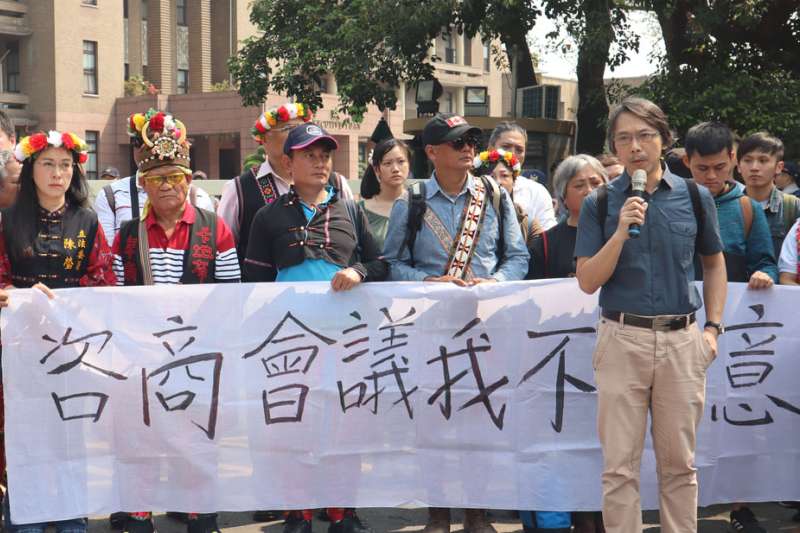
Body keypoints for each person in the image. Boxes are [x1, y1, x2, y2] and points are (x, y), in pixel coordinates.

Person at [574, 97, 727, 533]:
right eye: (624, 138)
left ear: (665, 139)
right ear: (614, 147)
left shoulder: (696, 197)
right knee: (619, 466)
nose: (635, 147)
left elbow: (714, 264)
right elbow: (587, 280)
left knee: (680, 465)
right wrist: (621, 233)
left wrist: (713, 329)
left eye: (645, 135)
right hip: (621, 339)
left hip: (683, 341)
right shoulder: (600, 203)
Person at [383, 113, 528, 533]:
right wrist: (428, 282)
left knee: (481, 416)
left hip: (484, 324)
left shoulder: (495, 195)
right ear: (432, 152)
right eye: (457, 142)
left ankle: (477, 512)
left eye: (471, 141)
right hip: (429, 328)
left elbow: (517, 257)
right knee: (433, 420)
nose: (468, 148)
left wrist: (495, 283)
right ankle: (438, 512)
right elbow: (392, 264)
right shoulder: (410, 201)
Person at [244, 122, 385, 533]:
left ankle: (341, 512)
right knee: (295, 426)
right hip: (291, 342)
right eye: (309, 154)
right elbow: (252, 284)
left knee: (344, 423)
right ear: (287, 162)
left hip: (345, 340)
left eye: (325, 154)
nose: (320, 161)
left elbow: (381, 264)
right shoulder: (267, 217)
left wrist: (358, 271)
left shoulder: (351, 210)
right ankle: (298, 512)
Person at [110, 112, 238, 533]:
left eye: (176, 176)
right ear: (143, 185)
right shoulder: (128, 235)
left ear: (189, 180)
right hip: (141, 356)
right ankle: (139, 513)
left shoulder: (214, 228)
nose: (168, 186)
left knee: (197, 437)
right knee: (140, 437)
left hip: (196, 357)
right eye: (158, 178)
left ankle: (200, 511)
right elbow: (112, 297)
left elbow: (229, 293)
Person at [0, 130, 116, 533]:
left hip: (72, 348)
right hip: (21, 347)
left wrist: (66, 300)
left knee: (71, 431)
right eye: (48, 163)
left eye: (65, 165)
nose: (57, 173)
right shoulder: (8, 221)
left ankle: (71, 512)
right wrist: (11, 293)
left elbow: (104, 280)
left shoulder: (88, 221)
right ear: (31, 170)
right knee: (26, 431)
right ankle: (25, 512)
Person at [218, 103, 353, 270]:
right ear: (264, 139)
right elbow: (223, 248)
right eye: (289, 128)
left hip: (334, 288)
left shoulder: (337, 184)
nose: (298, 133)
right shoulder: (239, 189)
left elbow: (356, 240)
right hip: (264, 291)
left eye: (302, 127)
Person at [94, 109, 215, 242]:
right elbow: (108, 253)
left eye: (166, 139)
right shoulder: (110, 196)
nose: (156, 148)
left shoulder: (199, 198)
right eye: (145, 140)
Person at [682, 121, 777, 289]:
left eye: (719, 167)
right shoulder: (672, 202)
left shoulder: (747, 208)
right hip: (676, 310)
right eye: (702, 168)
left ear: (732, 158)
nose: (711, 176)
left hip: (731, 309)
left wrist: (764, 275)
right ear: (687, 161)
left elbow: (765, 264)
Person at [528, 155, 607, 279]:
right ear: (563, 196)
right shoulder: (545, 244)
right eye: (579, 186)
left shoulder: (621, 232)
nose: (589, 191)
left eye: (595, 183)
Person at [739, 132, 800, 260]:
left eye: (763, 160)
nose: (754, 167)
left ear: (779, 167)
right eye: (747, 160)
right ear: (738, 166)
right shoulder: (724, 206)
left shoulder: (793, 207)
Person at [487, 122, 556, 234]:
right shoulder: (474, 186)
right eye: (506, 147)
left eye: (519, 150)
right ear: (490, 149)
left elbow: (548, 238)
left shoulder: (538, 192)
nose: (512, 154)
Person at [472, 147, 535, 244]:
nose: (498, 182)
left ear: (514, 181)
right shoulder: (467, 214)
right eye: (491, 177)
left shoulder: (528, 222)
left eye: (504, 176)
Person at [359, 137, 411, 249]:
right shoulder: (360, 211)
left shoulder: (421, 205)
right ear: (377, 169)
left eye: (401, 162)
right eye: (388, 163)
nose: (396, 169)